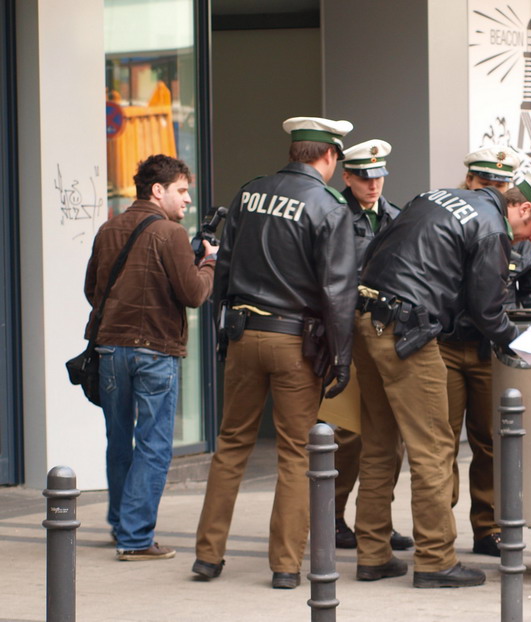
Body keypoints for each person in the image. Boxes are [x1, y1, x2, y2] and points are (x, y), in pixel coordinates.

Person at [351, 174, 531, 588]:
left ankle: (373, 553)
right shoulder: (491, 228)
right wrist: (521, 345)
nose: (527, 240)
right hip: (408, 331)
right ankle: (435, 559)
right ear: (522, 209)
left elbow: (377, 248)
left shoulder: (435, 195)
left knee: (379, 444)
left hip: (367, 317)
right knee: (433, 447)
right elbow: (487, 310)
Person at [192, 116, 358, 589]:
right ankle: (285, 566)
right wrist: (341, 358)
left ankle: (207, 555)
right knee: (295, 454)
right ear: (328, 157)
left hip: (244, 333)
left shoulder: (249, 193)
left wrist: (225, 332)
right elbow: (338, 292)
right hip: (293, 344)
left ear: (294, 152)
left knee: (231, 446)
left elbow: (223, 266)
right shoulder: (328, 207)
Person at [84, 154, 216, 561]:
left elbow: (92, 290)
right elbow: (193, 294)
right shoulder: (170, 234)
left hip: (110, 349)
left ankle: (122, 524)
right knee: (155, 445)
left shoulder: (108, 229)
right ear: (157, 190)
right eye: (181, 190)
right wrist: (210, 262)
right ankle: (137, 539)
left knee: (119, 440)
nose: (188, 199)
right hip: (155, 352)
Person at [441, 146, 531, 557]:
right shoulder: (453, 219)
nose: (490, 189)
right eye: (484, 182)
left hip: (492, 349)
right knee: (440, 443)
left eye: (499, 184)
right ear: (470, 182)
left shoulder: (524, 242)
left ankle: (487, 527)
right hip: (444, 344)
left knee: (491, 441)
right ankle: (438, 531)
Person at [315, 138, 412, 552]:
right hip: (347, 335)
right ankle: (333, 517)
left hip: (386, 332)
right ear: (348, 177)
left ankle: (377, 520)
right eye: (365, 177)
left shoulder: (396, 216)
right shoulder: (334, 217)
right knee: (348, 435)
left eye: (380, 176)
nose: (374, 185)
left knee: (389, 436)